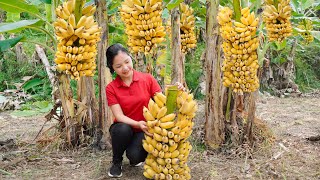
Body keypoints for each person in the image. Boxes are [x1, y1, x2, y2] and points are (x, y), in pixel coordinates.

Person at [105, 43, 184, 178]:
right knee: (122, 129)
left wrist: (177, 91)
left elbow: (162, 102)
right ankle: (116, 162)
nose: (125, 68)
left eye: (127, 62)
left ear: (131, 58)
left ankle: (133, 154)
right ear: (112, 68)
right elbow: (118, 115)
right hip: (124, 127)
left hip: (145, 128)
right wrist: (137, 123)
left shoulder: (147, 79)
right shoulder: (111, 88)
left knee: (135, 157)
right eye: (118, 66)